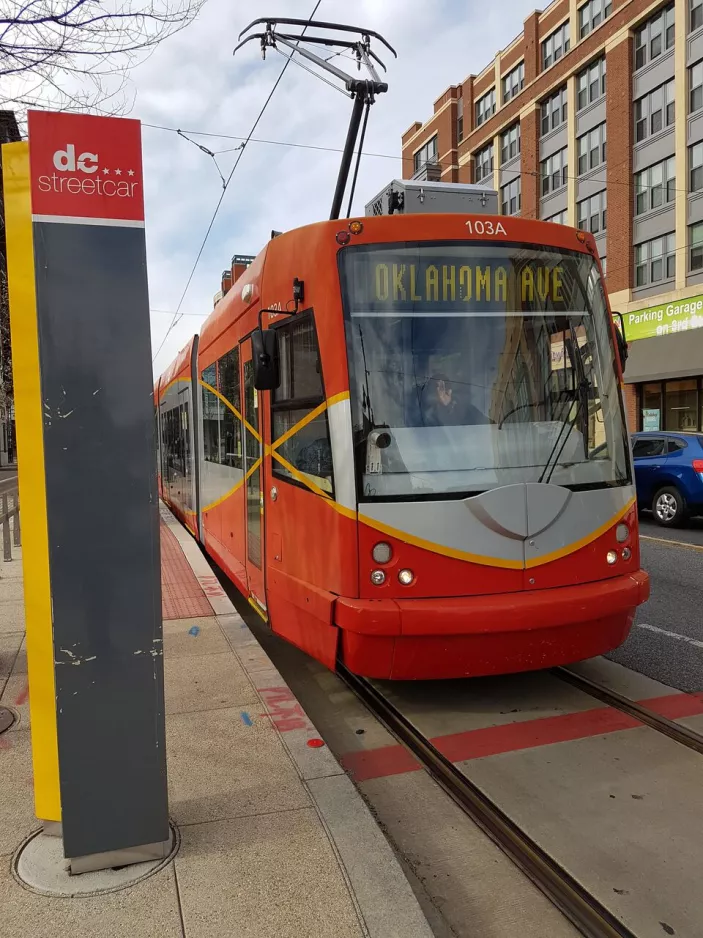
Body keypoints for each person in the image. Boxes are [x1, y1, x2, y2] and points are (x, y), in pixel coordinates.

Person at [423, 374, 488, 426]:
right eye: (436, 390)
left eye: (442, 389)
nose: (440, 395)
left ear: (450, 391)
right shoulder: (425, 417)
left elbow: (491, 426)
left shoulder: (468, 410)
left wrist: (447, 405)